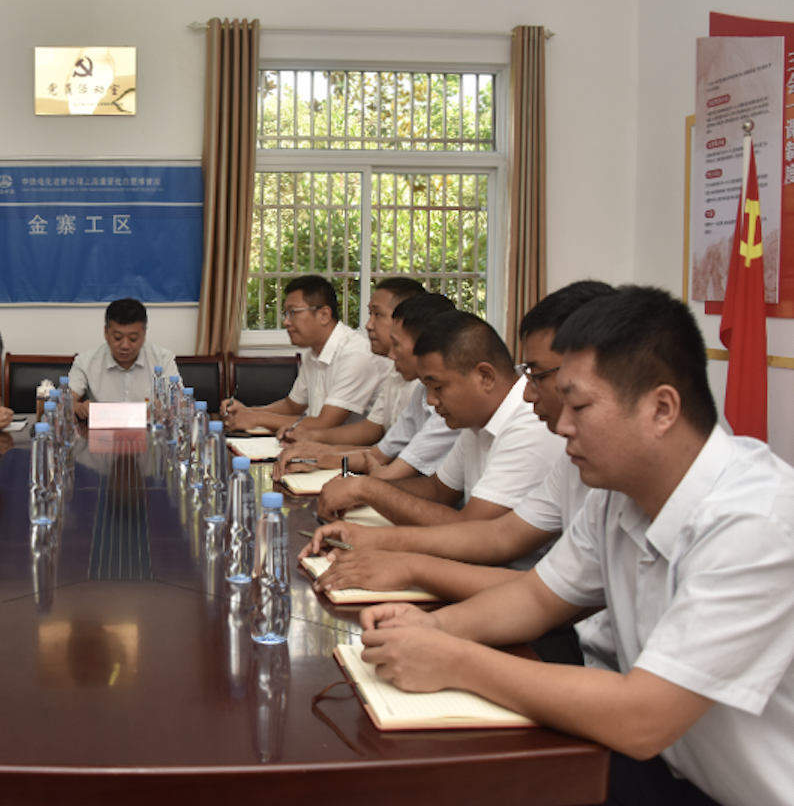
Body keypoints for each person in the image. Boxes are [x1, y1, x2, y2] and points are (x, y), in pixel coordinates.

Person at [356, 286, 793, 806]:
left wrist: (453, 659)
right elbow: (537, 597)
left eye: (580, 406)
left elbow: (643, 718)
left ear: (661, 408)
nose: (561, 424)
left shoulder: (756, 522)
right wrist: (430, 627)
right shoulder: (616, 492)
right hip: (669, 763)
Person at [301, 281, 615, 601]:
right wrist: (378, 536)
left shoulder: (536, 426)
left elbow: (488, 540)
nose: (529, 393)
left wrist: (399, 551)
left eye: (539, 376)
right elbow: (487, 529)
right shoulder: (499, 425)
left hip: (503, 589)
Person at [317, 309, 563, 527]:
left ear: (485, 377)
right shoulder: (477, 418)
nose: (433, 401)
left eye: (439, 387)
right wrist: (363, 491)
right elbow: (437, 490)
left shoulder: (531, 421)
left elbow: (472, 531)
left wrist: (367, 489)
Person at [276, 292, 460, 480]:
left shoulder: (450, 405)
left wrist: (361, 480)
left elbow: (392, 474)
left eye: (377, 314)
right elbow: (378, 455)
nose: (391, 356)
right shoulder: (420, 391)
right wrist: (316, 456)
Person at [222, 274, 391, 435]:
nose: (286, 322)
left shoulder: (356, 355)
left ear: (324, 315)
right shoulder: (313, 353)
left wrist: (256, 418)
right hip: (318, 445)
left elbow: (324, 424)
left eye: (293, 312)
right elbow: (292, 406)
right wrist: (246, 412)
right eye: (286, 313)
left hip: (351, 450)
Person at [68, 297, 178, 420]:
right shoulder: (85, 362)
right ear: (106, 332)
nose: (125, 345)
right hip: (104, 430)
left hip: (150, 429)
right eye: (117, 338)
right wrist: (78, 407)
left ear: (144, 334)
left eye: (133, 339)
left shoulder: (163, 359)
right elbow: (63, 402)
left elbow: (180, 403)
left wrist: (163, 409)